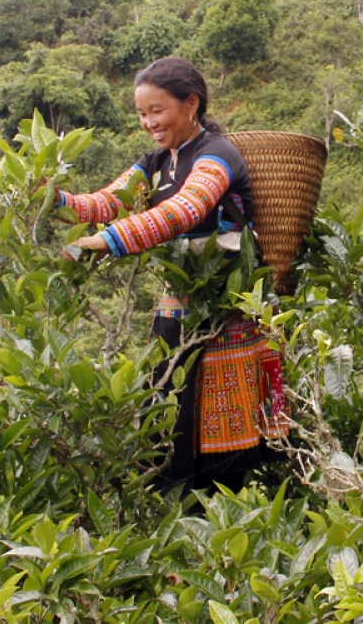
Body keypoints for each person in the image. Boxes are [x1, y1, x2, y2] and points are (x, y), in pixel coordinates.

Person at [57, 57, 287, 491]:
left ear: (191, 104)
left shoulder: (216, 153)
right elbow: (104, 203)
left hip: (227, 308)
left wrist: (106, 241)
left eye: (157, 111)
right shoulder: (158, 161)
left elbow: (186, 210)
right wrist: (51, 198)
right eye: (142, 114)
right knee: (170, 418)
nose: (148, 122)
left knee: (223, 443)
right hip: (178, 308)